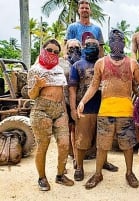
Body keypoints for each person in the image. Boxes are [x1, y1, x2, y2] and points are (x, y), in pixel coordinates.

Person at [77, 29, 139, 190]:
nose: (117, 43)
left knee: (128, 144)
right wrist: (82, 102)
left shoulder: (132, 63)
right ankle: (98, 174)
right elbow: (94, 86)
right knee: (102, 145)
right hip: (105, 111)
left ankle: (129, 172)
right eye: (113, 40)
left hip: (126, 112)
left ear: (124, 43)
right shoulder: (101, 63)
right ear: (109, 42)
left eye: (120, 40)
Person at [69, 37, 118, 182]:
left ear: (100, 48)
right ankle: (79, 167)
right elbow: (72, 89)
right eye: (88, 45)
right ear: (83, 47)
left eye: (95, 45)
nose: (91, 47)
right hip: (85, 108)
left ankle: (104, 162)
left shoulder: (105, 64)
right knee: (82, 140)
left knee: (104, 138)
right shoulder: (77, 65)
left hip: (104, 107)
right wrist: (73, 108)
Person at [28, 39, 74, 191]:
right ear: (43, 49)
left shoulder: (59, 69)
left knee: (64, 144)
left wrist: (66, 113)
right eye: (49, 50)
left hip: (59, 110)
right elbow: (31, 95)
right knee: (43, 146)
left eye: (56, 51)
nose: (52, 53)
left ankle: (60, 175)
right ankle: (42, 178)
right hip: (42, 110)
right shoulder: (35, 69)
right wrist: (37, 86)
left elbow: (62, 92)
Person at [59, 38, 82, 168]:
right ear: (66, 48)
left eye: (77, 47)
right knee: (68, 130)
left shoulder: (83, 61)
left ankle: (77, 156)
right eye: (71, 47)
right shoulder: (62, 63)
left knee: (78, 130)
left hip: (81, 101)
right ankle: (70, 158)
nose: (74, 50)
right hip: (66, 102)